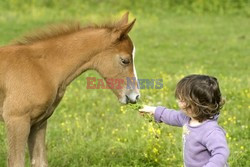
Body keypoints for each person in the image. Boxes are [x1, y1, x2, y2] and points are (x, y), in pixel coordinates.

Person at [139, 74, 230, 167]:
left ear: (198, 104)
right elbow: (171, 115)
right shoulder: (187, 118)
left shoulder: (211, 131)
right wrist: (152, 110)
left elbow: (220, 153)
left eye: (182, 100)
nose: (178, 102)